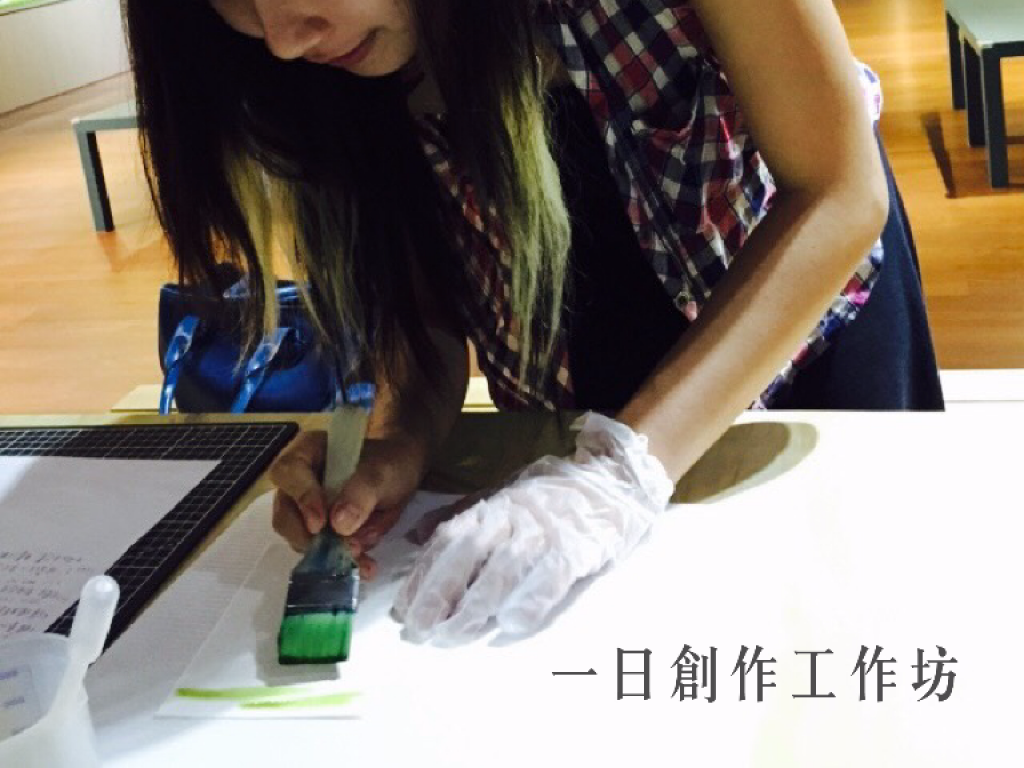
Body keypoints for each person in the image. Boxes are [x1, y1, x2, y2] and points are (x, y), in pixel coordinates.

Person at [123, 0, 943, 642]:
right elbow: (430, 307)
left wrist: (622, 468)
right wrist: (399, 440)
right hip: (564, 407)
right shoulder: (321, 60)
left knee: (843, 633)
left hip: (800, 329)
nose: (282, 37)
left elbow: (836, 190)